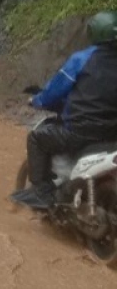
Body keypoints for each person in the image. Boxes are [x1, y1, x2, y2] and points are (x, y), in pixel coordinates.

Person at [11, 11, 117, 210]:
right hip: (112, 136)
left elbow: (54, 92)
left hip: (78, 133)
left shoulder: (82, 58)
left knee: (36, 138)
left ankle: (42, 193)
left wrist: (37, 100)